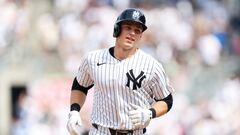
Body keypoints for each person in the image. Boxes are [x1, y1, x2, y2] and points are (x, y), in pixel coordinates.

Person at [67, 8, 174, 135]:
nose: (132, 33)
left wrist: (150, 113)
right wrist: (74, 111)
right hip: (100, 131)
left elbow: (167, 100)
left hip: (135, 132)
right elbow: (80, 85)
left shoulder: (152, 66)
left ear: (140, 36)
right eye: (128, 27)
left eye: (137, 30)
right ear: (117, 29)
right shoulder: (93, 59)